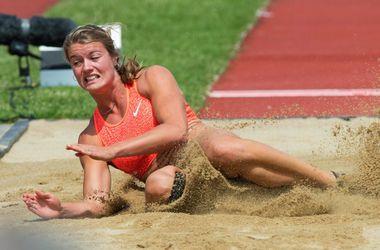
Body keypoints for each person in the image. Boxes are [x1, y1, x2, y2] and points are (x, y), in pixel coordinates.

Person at [22, 24, 338, 219]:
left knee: (221, 148)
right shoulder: (91, 139)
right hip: (174, 177)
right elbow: (98, 203)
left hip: (199, 145)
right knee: (158, 186)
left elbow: (175, 130)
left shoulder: (150, 78)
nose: (86, 67)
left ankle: (325, 179)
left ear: (114, 59)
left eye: (94, 57)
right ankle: (240, 196)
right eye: (76, 62)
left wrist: (114, 151)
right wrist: (61, 209)